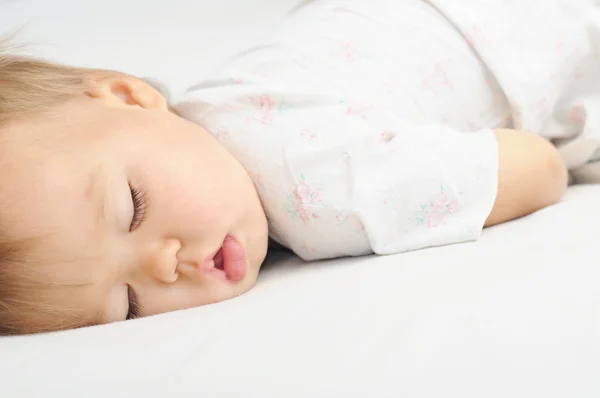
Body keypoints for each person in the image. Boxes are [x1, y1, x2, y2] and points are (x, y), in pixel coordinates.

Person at [7, 0, 600, 335]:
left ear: (128, 95)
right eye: (128, 304)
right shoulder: (221, 102)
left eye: (131, 206)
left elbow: (536, 167)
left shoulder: (314, 192)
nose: (164, 264)